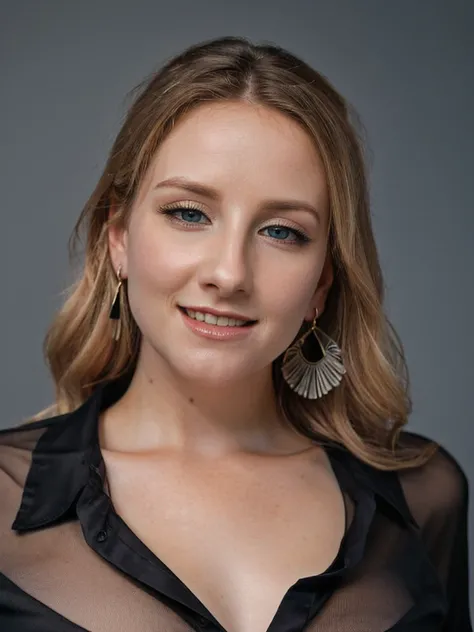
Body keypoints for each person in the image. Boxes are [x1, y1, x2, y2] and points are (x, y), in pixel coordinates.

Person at [0, 35, 471, 632]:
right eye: (189, 214)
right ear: (117, 238)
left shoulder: (424, 498)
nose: (229, 273)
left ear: (321, 283)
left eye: (282, 231)